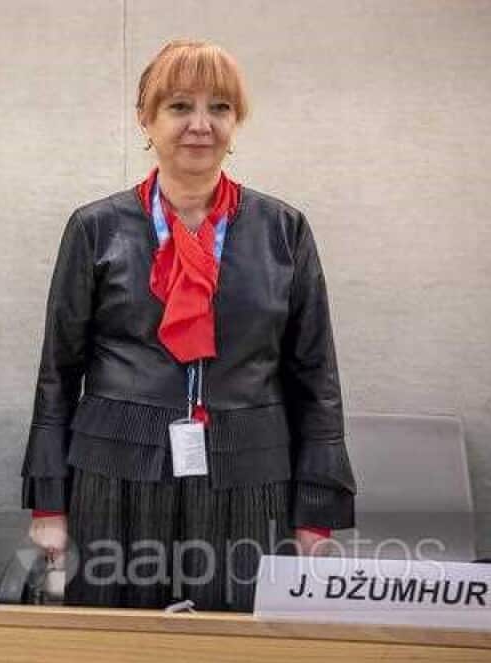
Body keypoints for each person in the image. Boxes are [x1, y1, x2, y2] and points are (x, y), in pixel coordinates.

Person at [22, 40, 355, 611]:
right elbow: (60, 371)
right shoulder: (95, 228)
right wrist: (50, 504)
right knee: (112, 651)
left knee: (237, 654)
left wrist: (315, 512)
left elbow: (315, 375)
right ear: (145, 120)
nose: (201, 124)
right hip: (115, 468)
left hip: (251, 471)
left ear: (236, 122)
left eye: (219, 108)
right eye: (179, 106)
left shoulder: (284, 230)